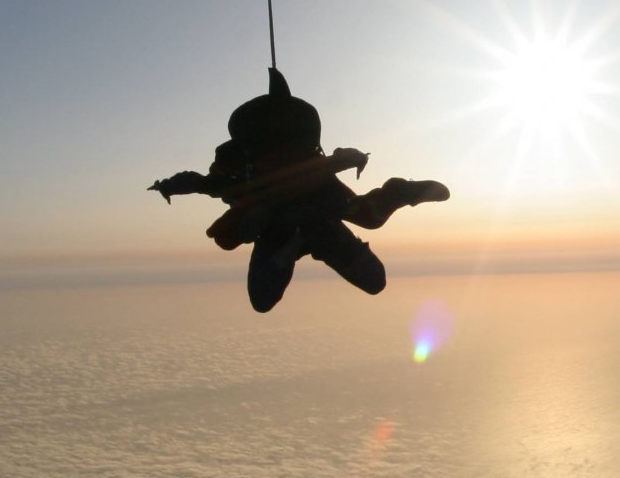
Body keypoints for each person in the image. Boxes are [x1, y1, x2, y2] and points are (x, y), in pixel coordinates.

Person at [150, 68, 450, 312]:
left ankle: (390, 196)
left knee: (264, 296)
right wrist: (171, 186)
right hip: (315, 220)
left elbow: (201, 183)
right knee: (370, 261)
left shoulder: (244, 177)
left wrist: (170, 186)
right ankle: (393, 194)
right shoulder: (272, 173)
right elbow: (201, 183)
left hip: (290, 226)